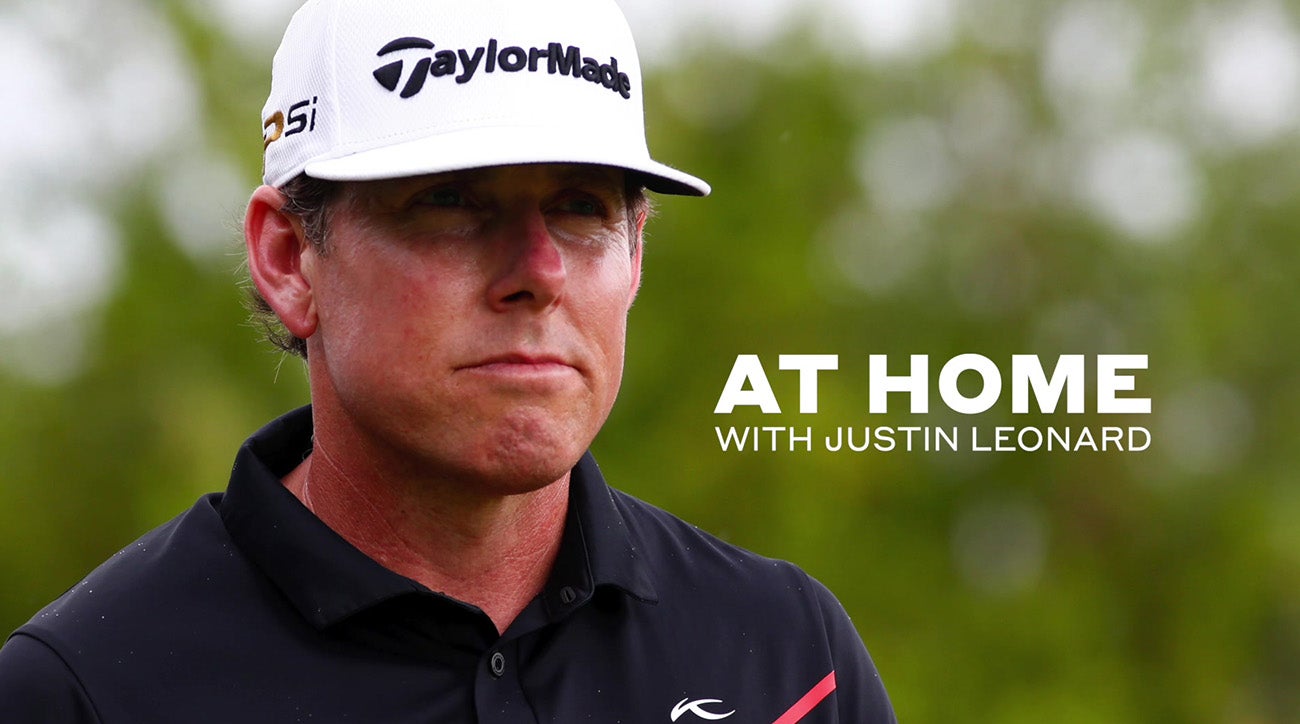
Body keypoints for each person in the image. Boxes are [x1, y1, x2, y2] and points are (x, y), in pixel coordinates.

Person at [0, 0, 896, 721]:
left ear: (635, 257)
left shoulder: (789, 661)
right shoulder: (86, 691)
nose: (539, 272)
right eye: (452, 201)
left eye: (581, 206)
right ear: (289, 259)